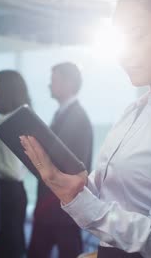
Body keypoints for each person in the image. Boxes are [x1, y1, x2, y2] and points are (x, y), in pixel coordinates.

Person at [20, 0, 151, 257]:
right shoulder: (134, 111)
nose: (124, 53)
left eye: (137, 35)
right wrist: (74, 185)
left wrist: (81, 202)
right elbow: (112, 197)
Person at [28, 62, 94, 258]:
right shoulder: (63, 114)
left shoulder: (77, 118)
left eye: (54, 80)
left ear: (69, 83)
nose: (49, 85)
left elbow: (72, 167)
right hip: (52, 207)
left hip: (62, 209)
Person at [0, 70, 31, 258]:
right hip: (10, 193)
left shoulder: (13, 121)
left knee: (9, 249)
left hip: (9, 192)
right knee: (7, 247)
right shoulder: (15, 117)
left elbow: (13, 171)